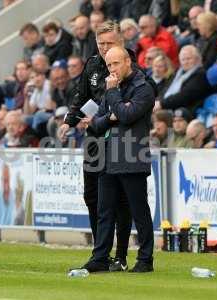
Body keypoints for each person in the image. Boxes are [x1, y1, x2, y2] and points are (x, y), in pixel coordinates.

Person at [59, 21, 132, 272]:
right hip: (93, 138)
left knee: (120, 199)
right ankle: (101, 253)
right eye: (100, 43)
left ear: (120, 42)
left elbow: (131, 101)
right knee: (92, 196)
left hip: (119, 138)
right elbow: (80, 95)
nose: (103, 48)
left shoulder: (129, 64)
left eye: (109, 43)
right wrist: (69, 121)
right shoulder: (91, 64)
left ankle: (121, 255)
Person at [81, 46, 155, 273]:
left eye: (115, 64)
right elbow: (95, 124)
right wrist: (114, 114)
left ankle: (145, 260)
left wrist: (114, 104)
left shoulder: (143, 88)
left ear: (127, 62)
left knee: (138, 211)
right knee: (104, 211)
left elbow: (126, 115)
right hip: (109, 156)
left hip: (132, 155)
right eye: (109, 65)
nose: (111, 69)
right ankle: (100, 257)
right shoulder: (114, 87)